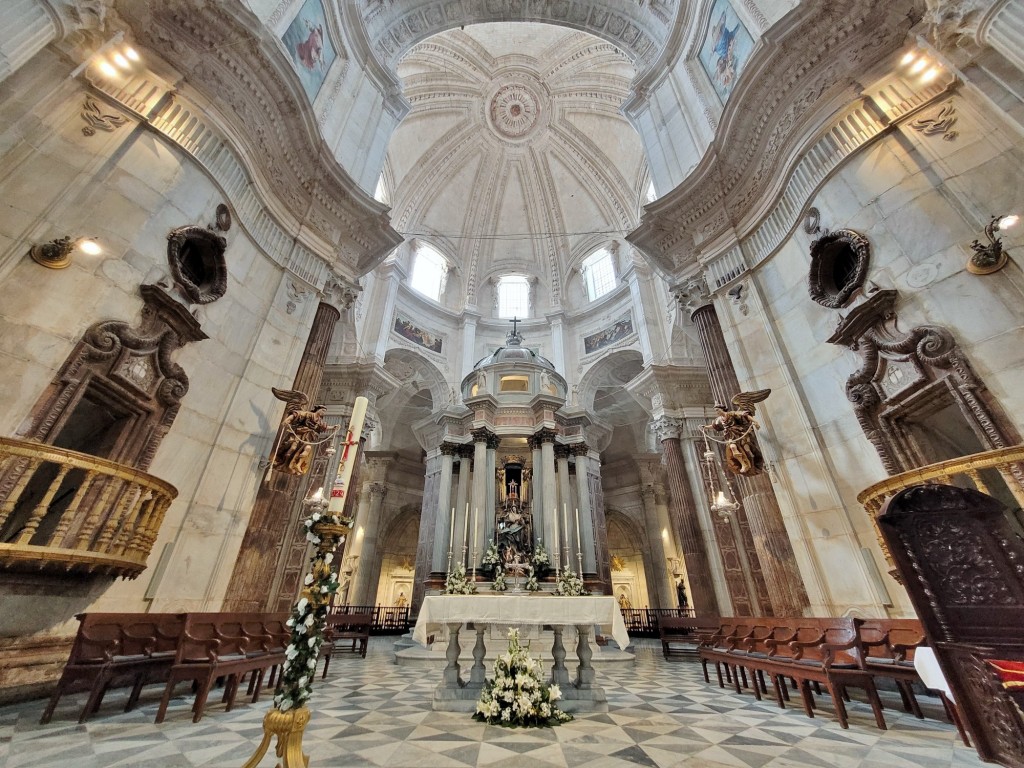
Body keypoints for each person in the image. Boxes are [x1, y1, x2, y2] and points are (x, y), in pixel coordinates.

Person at [703, 389, 771, 476]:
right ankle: (744, 464)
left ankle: (755, 465)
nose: (717, 412)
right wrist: (705, 427)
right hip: (730, 436)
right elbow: (714, 426)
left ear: (721, 409)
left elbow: (745, 415)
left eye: (717, 410)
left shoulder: (731, 414)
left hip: (739, 433)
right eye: (716, 411)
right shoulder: (719, 419)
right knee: (733, 448)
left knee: (747, 450)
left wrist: (755, 422)